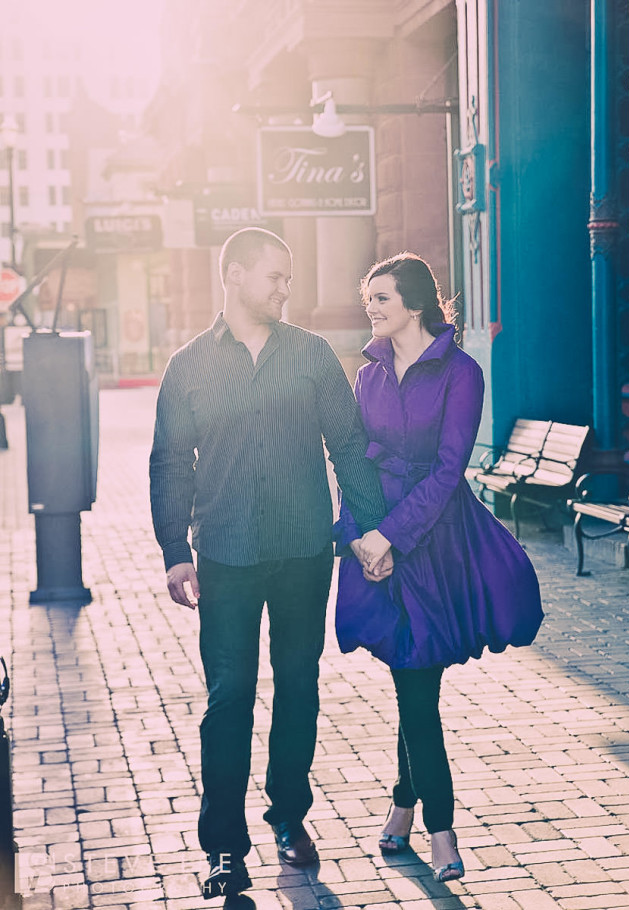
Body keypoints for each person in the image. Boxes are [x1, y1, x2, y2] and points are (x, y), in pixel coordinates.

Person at [149, 228, 388, 900]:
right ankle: (224, 848)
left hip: (303, 551)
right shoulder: (189, 365)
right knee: (228, 699)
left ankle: (288, 816)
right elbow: (170, 460)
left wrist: (370, 531)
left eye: (288, 278)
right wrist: (174, 552)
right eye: (274, 277)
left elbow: (349, 447)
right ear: (234, 275)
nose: (286, 289)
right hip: (223, 553)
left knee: (298, 688)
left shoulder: (311, 357)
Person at [335, 252, 543, 882]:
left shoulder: (461, 372)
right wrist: (361, 536)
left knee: (416, 684)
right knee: (411, 675)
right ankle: (405, 808)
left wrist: (392, 537)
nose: (369, 309)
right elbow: (353, 463)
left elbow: (451, 470)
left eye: (382, 300)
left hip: (435, 541)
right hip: (378, 542)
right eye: (367, 298)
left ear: (415, 306)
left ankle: (441, 829)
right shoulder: (366, 375)